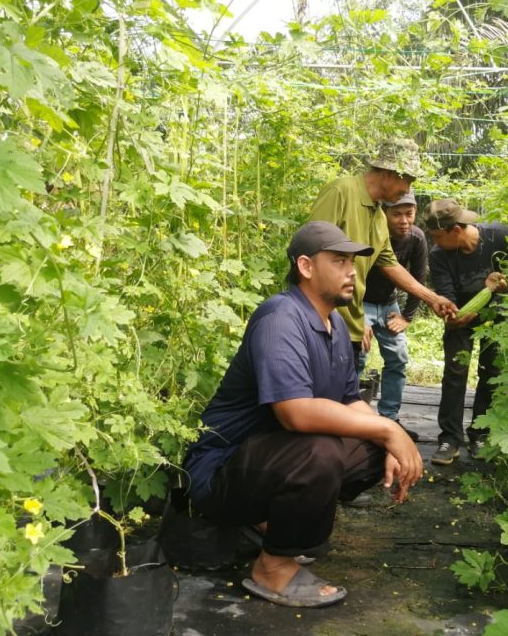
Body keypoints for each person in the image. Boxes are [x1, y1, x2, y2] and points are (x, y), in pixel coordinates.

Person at [182, 221, 423, 608]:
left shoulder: (335, 325)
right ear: (306, 267)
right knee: (321, 451)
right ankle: (273, 567)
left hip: (269, 460)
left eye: (353, 262)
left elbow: (350, 399)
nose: (351, 271)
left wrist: (389, 436)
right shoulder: (281, 318)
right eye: (340, 261)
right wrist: (387, 429)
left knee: (373, 445)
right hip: (220, 472)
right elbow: (295, 412)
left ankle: (272, 522)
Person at [309, 138, 456, 369]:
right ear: (388, 173)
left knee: (345, 388)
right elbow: (312, 252)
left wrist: (433, 298)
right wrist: (332, 317)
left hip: (350, 327)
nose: (408, 189)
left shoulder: (379, 217)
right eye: (408, 180)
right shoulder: (341, 191)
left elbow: (390, 265)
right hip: (323, 324)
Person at [424, 198, 508, 465]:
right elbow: (446, 294)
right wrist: (451, 316)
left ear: (455, 230)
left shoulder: (499, 236)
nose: (434, 242)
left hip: (496, 317)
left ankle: (480, 434)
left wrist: (500, 286)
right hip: (461, 319)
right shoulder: (438, 255)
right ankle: (449, 439)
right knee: (455, 373)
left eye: (437, 236)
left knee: (491, 372)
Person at [359, 191, 428, 442]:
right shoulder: (368, 233)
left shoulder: (416, 238)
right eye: (396, 214)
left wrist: (407, 317)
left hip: (389, 304)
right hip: (361, 302)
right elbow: (350, 275)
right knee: (356, 355)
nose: (404, 220)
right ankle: (351, 416)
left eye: (409, 214)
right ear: (383, 213)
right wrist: (356, 317)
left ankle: (390, 418)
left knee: (398, 357)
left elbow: (418, 279)